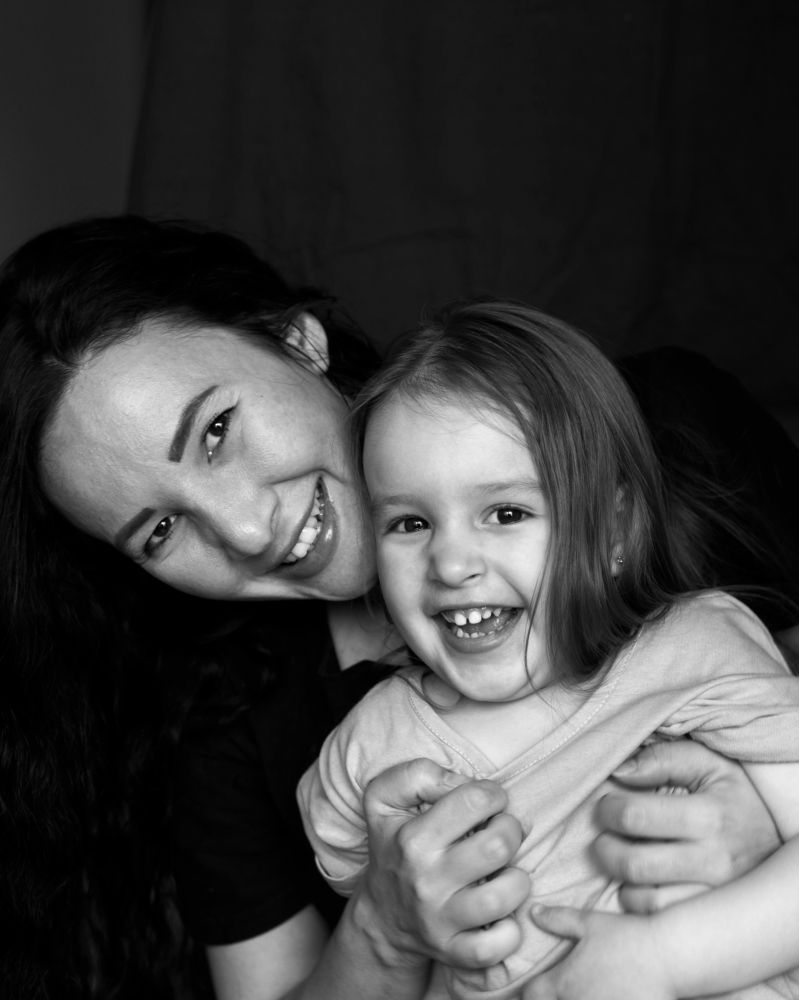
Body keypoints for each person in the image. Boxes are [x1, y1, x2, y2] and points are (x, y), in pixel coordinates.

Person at [0, 218, 792, 1000]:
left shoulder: (670, 435)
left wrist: (761, 839)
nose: (244, 530)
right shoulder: (235, 722)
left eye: (215, 432)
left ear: (297, 342)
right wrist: (382, 928)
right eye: (162, 530)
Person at [298, 299, 799, 999]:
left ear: (616, 531)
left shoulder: (697, 651)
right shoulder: (370, 751)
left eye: (506, 513)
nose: (450, 563)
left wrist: (661, 958)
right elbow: (390, 934)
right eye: (410, 523)